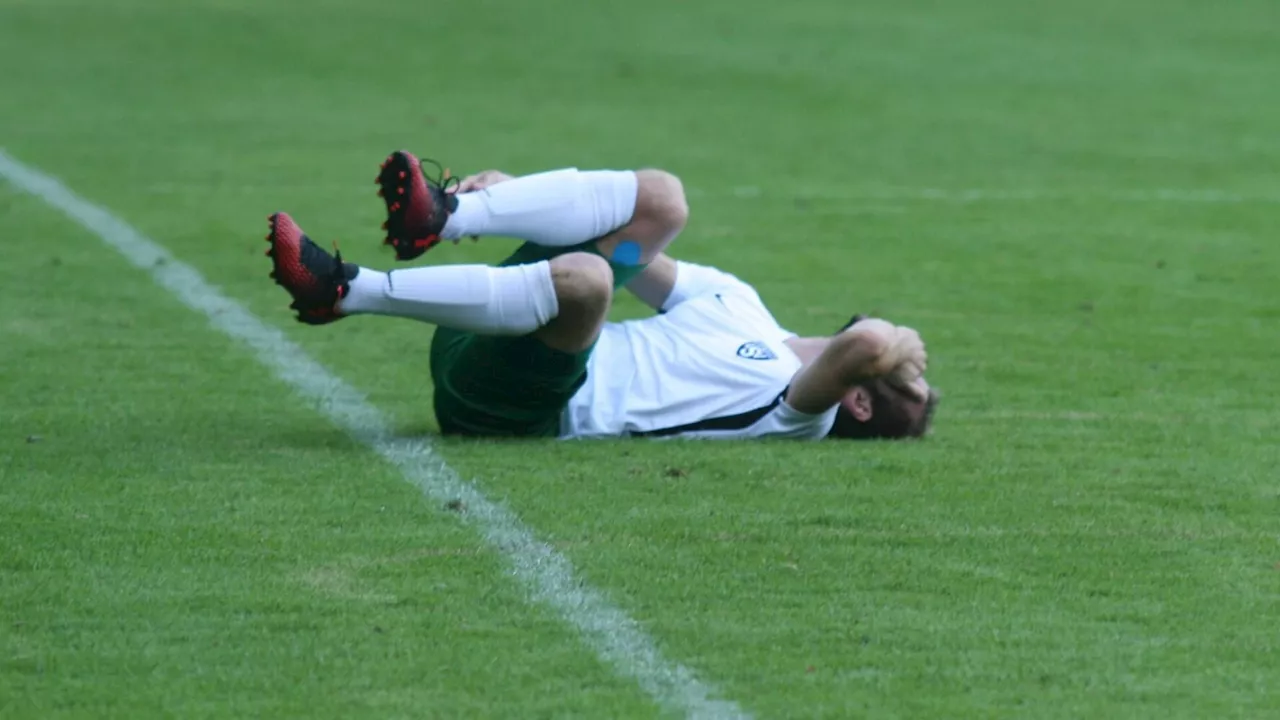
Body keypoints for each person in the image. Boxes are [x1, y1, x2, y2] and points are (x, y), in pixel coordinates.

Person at [264, 151, 937, 440]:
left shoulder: (799, 411)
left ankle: (343, 292)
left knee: (586, 282)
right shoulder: (741, 303)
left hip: (519, 401)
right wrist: (514, 201)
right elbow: (630, 251)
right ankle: (447, 217)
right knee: (661, 202)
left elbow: (871, 342)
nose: (919, 359)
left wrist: (897, 349)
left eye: (916, 379)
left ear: (860, 395)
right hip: (509, 321)